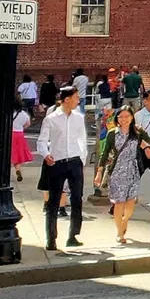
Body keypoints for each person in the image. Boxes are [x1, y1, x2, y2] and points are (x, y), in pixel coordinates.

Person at [37, 86, 88, 250]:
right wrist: (46, 154)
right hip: (57, 162)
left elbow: (82, 139)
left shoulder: (78, 118)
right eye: (76, 98)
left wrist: (82, 158)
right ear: (67, 99)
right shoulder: (51, 118)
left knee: (77, 199)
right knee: (54, 202)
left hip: (74, 161)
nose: (78, 101)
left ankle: (73, 235)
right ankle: (51, 238)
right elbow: (42, 141)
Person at [96, 106, 148, 246]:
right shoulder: (112, 134)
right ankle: (120, 233)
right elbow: (104, 153)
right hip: (117, 171)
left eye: (127, 116)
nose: (124, 119)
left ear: (132, 118)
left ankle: (124, 221)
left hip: (133, 170)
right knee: (119, 203)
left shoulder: (137, 132)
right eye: (121, 117)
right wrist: (99, 172)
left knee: (131, 203)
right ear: (117, 119)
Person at [0, 103, 33, 182]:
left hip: (7, 134)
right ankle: (18, 169)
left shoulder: (4, 113)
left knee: (4, 153)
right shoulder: (24, 114)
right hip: (19, 135)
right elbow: (27, 124)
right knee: (17, 155)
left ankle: (3, 173)